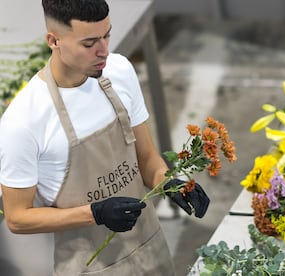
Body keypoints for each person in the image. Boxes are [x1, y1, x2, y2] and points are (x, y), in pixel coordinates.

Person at [0, 0, 210, 275]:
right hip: (89, 265)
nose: (104, 51)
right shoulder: (23, 122)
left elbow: (146, 158)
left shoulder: (119, 71)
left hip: (149, 249)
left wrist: (169, 183)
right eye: (89, 44)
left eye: (107, 34)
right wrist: (95, 213)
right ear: (53, 40)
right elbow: (18, 218)